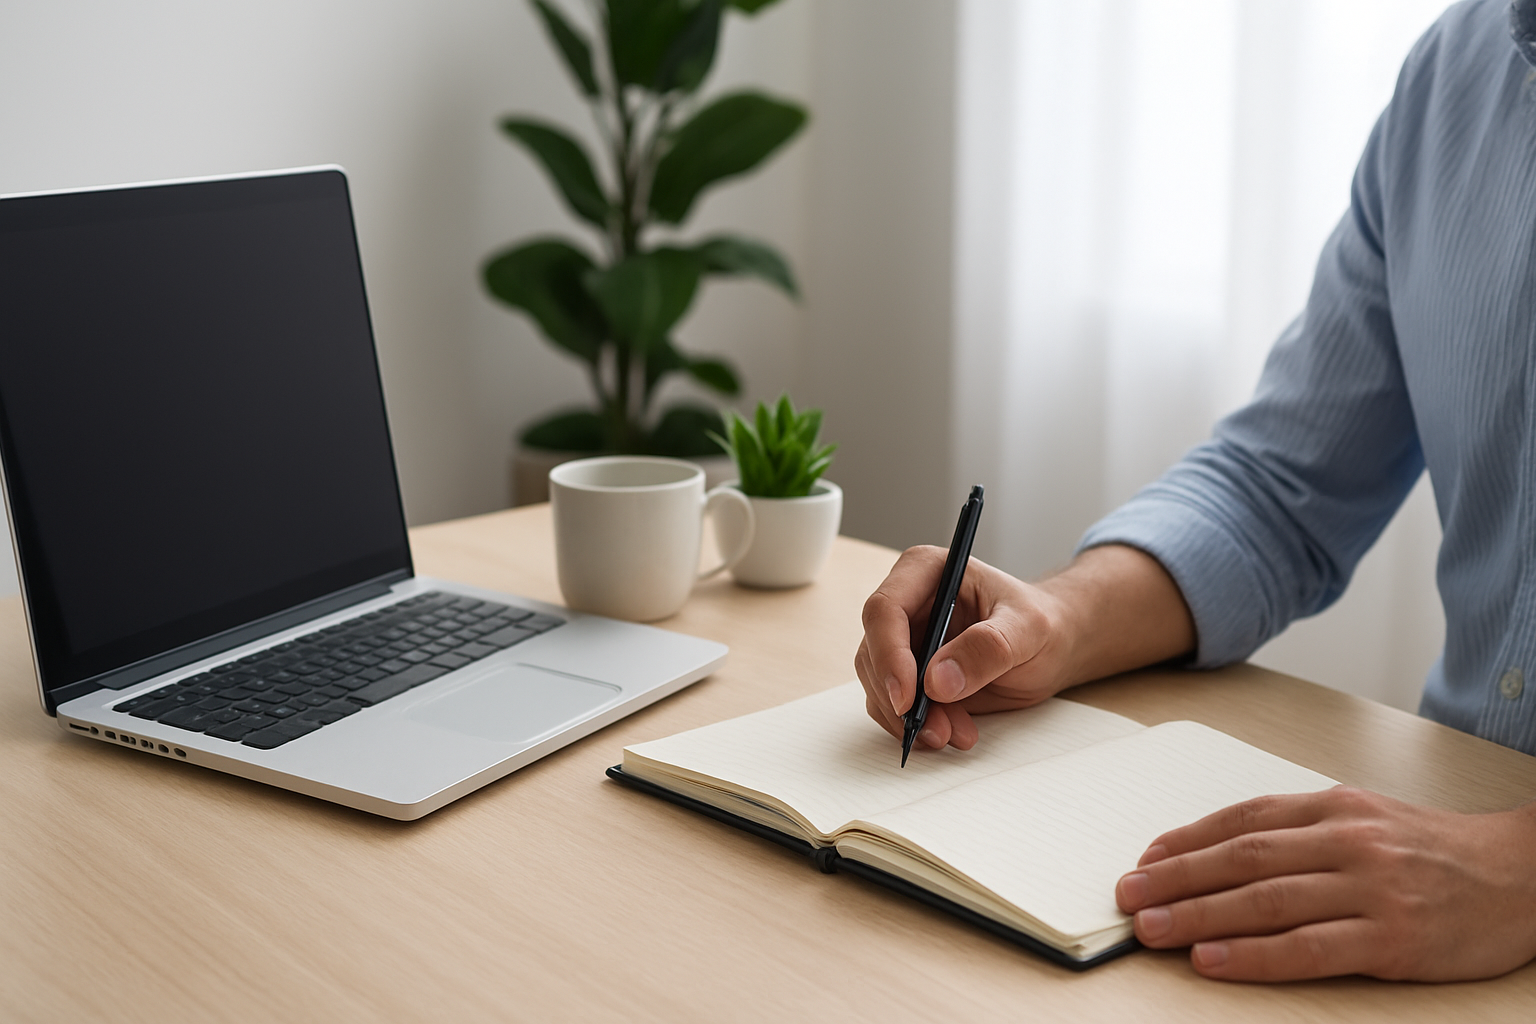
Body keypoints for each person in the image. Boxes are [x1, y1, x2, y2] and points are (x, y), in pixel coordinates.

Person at [856, 0, 1536, 983]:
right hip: (1439, 867)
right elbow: (1280, 489)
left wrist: (1519, 871)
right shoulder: (1456, 71)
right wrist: (1060, 617)